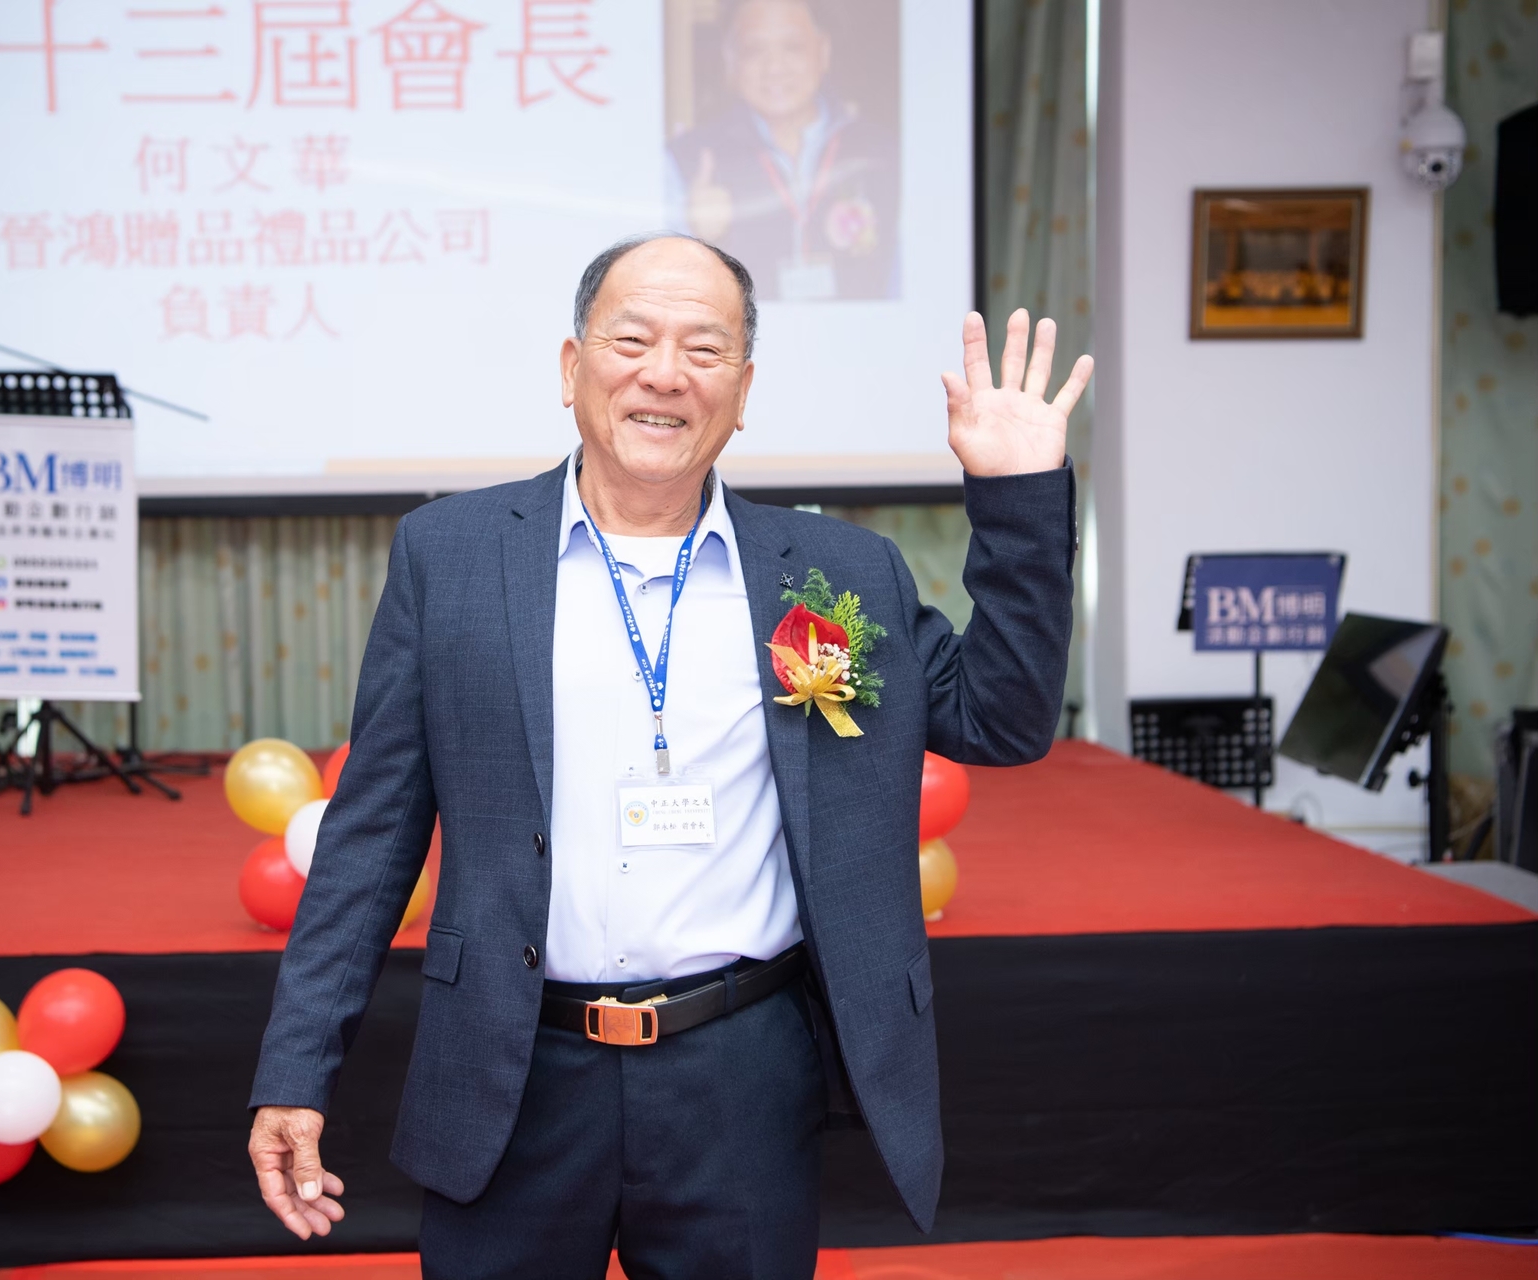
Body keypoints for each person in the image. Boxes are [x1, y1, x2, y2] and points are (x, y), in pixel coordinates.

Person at [248, 232, 1092, 1278]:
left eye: (704, 349)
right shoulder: (451, 557)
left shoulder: (835, 574)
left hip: (739, 1073)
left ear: (743, 392)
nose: (665, 373)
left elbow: (1003, 718)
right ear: (572, 368)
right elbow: (371, 836)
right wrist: (296, 1067)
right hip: (512, 1068)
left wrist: (1018, 496)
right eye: (632, 339)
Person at [666, 0, 899, 301]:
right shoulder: (685, 159)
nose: (774, 67)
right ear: (730, 59)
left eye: (792, 47)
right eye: (754, 50)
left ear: (823, 51)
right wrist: (697, 238)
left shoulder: (884, 155)